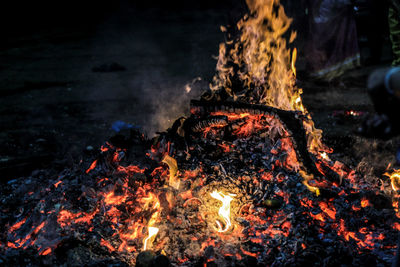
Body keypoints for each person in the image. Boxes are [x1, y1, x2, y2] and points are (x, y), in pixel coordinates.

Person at [305, 0, 361, 81]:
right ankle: (326, 73)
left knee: (324, 43)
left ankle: (327, 74)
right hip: (326, 19)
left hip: (325, 17)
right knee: (326, 45)